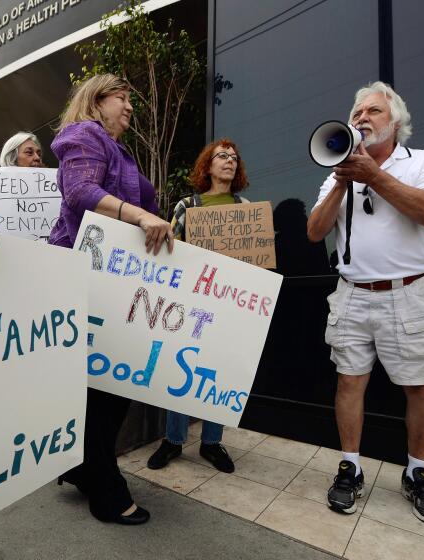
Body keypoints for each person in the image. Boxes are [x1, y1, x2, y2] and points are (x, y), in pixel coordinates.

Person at [307, 81, 424, 525]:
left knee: (420, 386)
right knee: (349, 383)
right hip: (353, 293)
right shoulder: (338, 173)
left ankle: (417, 473)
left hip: (410, 293)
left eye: (372, 111)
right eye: (356, 114)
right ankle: (350, 466)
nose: (361, 119)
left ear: (396, 123)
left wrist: (374, 176)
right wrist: (340, 182)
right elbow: (316, 231)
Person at [50, 73, 174, 525]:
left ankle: (85, 468)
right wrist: (141, 214)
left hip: (119, 282)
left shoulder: (118, 150)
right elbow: (79, 192)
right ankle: (105, 489)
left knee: (111, 382)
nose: (129, 107)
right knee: (108, 386)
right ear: (95, 100)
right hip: (89, 278)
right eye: (121, 98)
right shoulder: (82, 135)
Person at [146, 138, 249, 474]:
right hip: (192, 303)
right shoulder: (186, 206)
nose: (230, 161)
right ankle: (173, 440)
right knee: (180, 366)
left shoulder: (246, 208)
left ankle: (211, 442)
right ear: (208, 165)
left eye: (234, 158)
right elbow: (171, 252)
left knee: (218, 370)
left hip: (230, 305)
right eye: (223, 156)